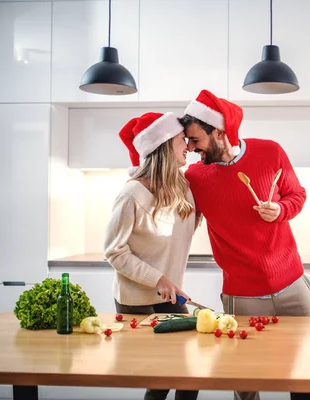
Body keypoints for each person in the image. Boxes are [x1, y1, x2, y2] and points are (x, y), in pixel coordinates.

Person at [181, 89, 310, 400]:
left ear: (218, 132)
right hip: (240, 295)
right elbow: (181, 219)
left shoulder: (270, 152)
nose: (190, 148)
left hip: (292, 287)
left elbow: (297, 195)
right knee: (244, 381)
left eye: (194, 140)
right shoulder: (195, 176)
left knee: (305, 373)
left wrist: (281, 210)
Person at [104, 111, 199, 400]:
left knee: (187, 374)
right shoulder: (131, 194)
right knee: (159, 376)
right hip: (137, 300)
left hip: (168, 296)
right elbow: (114, 251)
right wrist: (158, 278)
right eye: (183, 139)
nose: (189, 146)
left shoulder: (182, 187)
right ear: (164, 143)